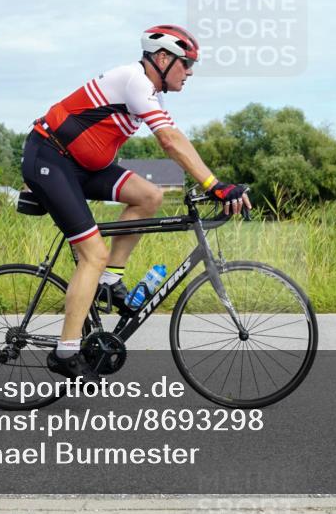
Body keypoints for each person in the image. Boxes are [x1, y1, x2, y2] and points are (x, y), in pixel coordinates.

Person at [20, 24, 252, 382]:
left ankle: (109, 281)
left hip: (80, 165)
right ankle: (66, 351)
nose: (190, 72)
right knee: (93, 254)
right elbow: (169, 141)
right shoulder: (135, 81)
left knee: (150, 196)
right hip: (50, 158)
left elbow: (178, 138)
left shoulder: (152, 94)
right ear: (162, 58)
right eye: (187, 63)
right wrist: (215, 185)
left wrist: (213, 184)